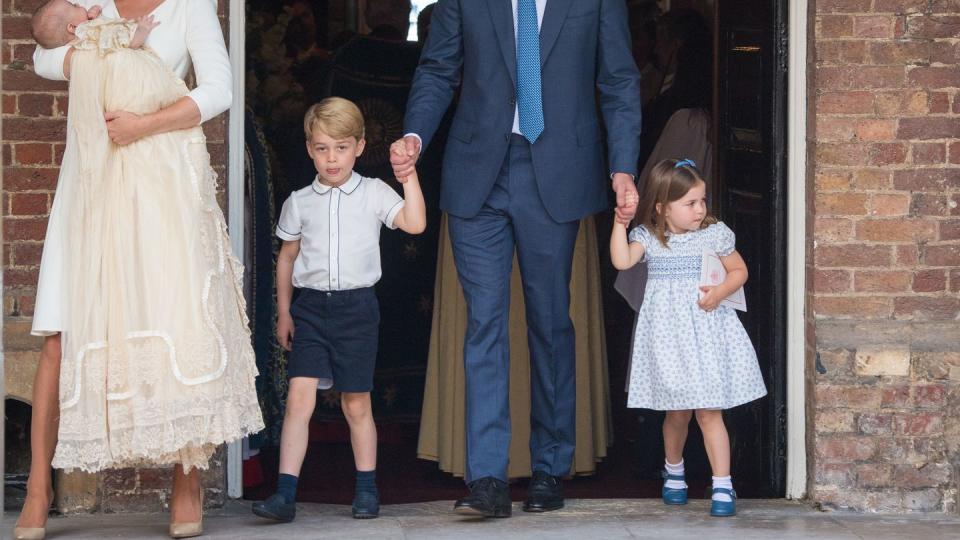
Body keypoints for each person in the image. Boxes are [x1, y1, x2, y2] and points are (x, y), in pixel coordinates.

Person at [16, 1, 263, 539]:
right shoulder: (91, 3)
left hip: (161, 178)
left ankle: (186, 482)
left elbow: (218, 88)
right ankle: (39, 486)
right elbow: (41, 56)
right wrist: (97, 56)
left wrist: (144, 123)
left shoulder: (190, 7)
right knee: (60, 331)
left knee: (180, 320)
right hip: (90, 180)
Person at [391, 0, 641, 518]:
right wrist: (415, 133)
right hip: (476, 171)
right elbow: (438, 67)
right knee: (484, 322)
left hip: (558, 170)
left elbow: (617, 81)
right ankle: (487, 479)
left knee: (550, 322)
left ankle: (550, 468)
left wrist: (622, 167)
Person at [251, 98, 426, 523]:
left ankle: (366, 488)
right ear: (310, 149)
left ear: (360, 147)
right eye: (323, 148)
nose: (332, 158)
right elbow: (287, 259)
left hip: (357, 310)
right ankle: (285, 493)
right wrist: (285, 312)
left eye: (342, 147)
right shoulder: (298, 202)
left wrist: (409, 176)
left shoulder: (373, 193)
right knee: (299, 399)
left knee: (356, 404)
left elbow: (416, 223)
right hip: (310, 308)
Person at [609, 158, 767, 517]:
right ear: (663, 208)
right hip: (670, 337)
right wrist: (621, 224)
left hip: (707, 333)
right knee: (677, 411)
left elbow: (739, 270)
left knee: (710, 411)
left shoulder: (714, 234)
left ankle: (722, 484)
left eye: (702, 201)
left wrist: (719, 291)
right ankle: (674, 471)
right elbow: (621, 261)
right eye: (690, 203)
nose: (700, 209)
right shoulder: (648, 237)